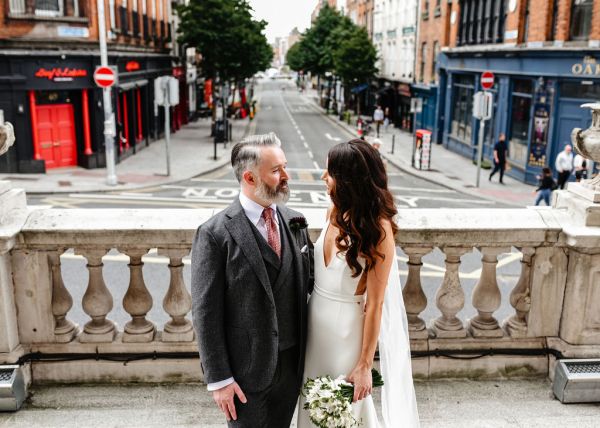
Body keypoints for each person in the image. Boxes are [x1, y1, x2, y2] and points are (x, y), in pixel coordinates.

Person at [191, 133, 314, 428]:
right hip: (244, 374)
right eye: (276, 170)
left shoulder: (295, 221)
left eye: (284, 166)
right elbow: (205, 313)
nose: (286, 176)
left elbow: (310, 283)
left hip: (291, 367)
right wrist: (219, 380)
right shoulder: (214, 233)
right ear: (249, 177)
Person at [297, 139, 420, 428]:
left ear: (349, 180)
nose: (323, 177)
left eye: (330, 172)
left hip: (346, 334)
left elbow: (375, 305)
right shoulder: (333, 211)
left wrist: (365, 365)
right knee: (311, 406)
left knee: (344, 414)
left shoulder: (378, 231)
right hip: (314, 329)